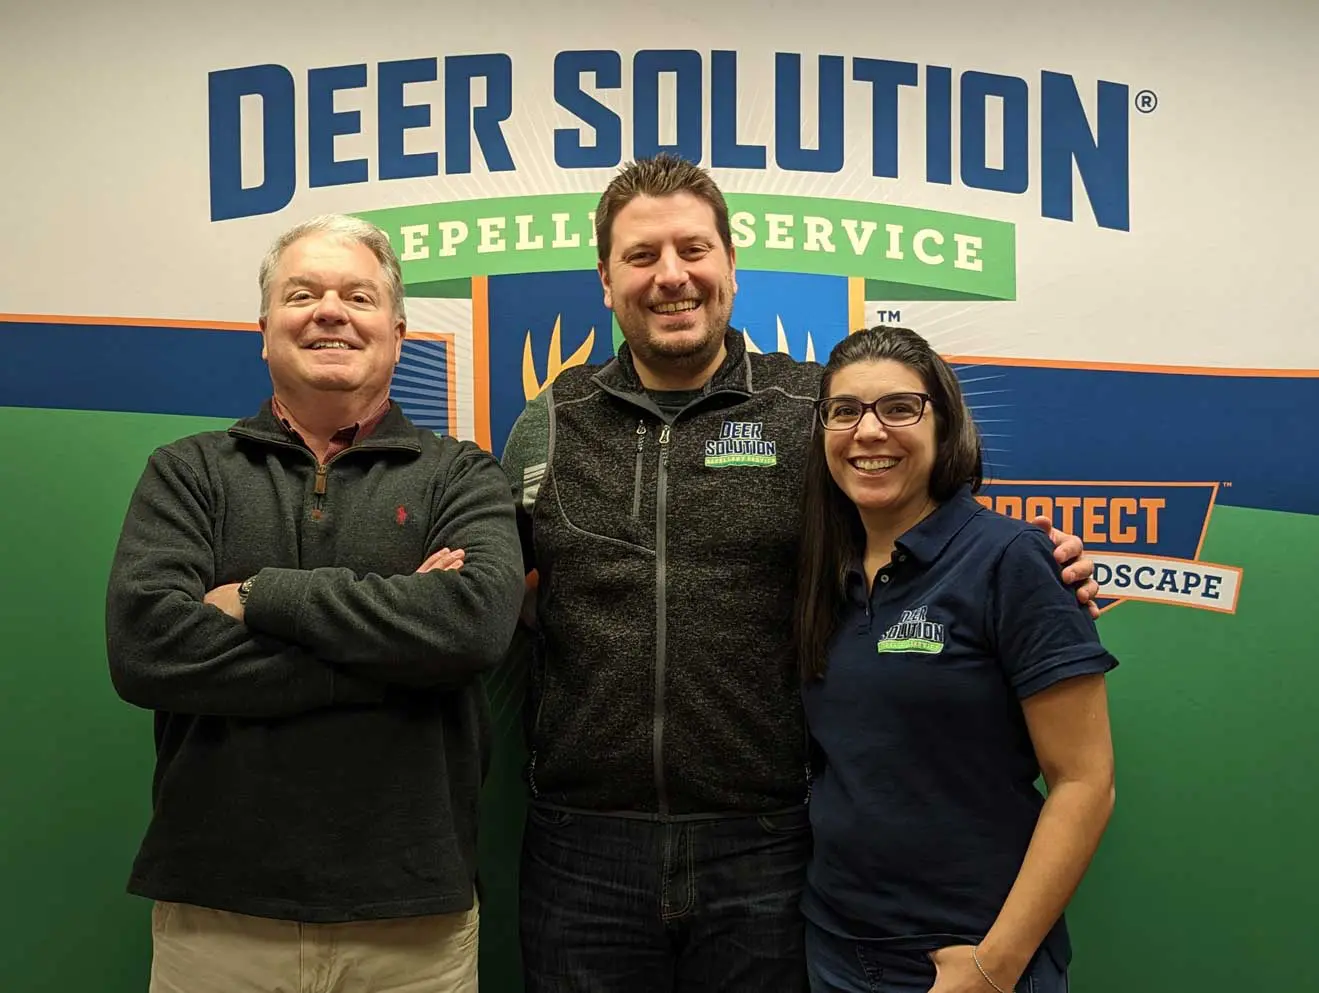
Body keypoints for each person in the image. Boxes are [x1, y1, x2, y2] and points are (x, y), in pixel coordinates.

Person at [499, 153, 1101, 992]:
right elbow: (502, 583)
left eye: (693, 250)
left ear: (731, 268)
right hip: (582, 847)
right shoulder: (550, 421)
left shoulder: (810, 409)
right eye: (641, 256)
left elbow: (919, 534)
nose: (671, 276)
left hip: (768, 845)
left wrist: (1046, 564)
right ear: (605, 280)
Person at [104, 214, 525, 993]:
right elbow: (146, 647)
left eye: (356, 295)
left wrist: (259, 595)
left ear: (396, 333)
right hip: (218, 915)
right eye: (303, 293)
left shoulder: (462, 477)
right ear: (264, 331)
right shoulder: (187, 474)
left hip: (413, 922)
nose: (329, 309)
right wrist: (397, 659)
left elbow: (472, 625)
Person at [794, 326, 1118, 993]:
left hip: (965, 958)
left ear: (945, 424)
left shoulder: (1010, 560)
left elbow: (1085, 782)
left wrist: (992, 965)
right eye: (845, 410)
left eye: (899, 407)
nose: (868, 431)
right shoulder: (824, 575)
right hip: (834, 948)